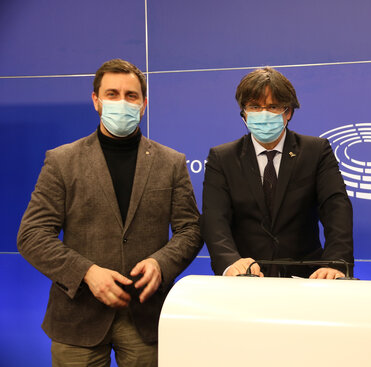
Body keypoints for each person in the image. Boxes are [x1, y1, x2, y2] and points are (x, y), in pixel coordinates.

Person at [17, 59, 202, 367]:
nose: (122, 102)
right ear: (96, 101)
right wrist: (87, 273)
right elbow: (32, 235)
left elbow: (191, 230)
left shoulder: (171, 162)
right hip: (77, 318)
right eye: (112, 94)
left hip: (146, 317)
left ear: (143, 104)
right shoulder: (62, 161)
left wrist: (161, 263)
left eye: (131, 96)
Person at [201, 67, 353, 278]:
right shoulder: (222, 158)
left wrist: (336, 263)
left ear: (288, 112)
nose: (263, 114)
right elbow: (214, 220)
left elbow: (336, 209)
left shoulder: (316, 151)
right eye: (255, 106)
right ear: (244, 113)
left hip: (307, 279)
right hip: (244, 279)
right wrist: (230, 263)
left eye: (272, 107)